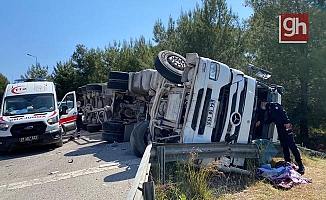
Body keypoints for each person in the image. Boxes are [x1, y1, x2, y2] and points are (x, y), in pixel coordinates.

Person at [256, 100, 305, 175]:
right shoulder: (269, 109)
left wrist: (287, 122)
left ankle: (300, 165)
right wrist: (261, 122)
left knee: (291, 145)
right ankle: (288, 162)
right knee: (284, 145)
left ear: (263, 102)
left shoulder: (274, 105)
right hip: (280, 128)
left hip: (285, 127)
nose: (261, 105)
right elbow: (270, 120)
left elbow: (283, 112)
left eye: (261, 103)